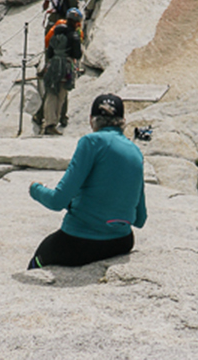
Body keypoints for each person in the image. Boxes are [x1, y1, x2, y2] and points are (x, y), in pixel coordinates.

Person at [28, 93, 147, 267]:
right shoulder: (136, 151)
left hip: (79, 242)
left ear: (91, 120)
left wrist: (35, 189)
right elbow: (140, 219)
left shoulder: (91, 142)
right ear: (123, 121)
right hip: (121, 242)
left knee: (37, 261)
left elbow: (57, 201)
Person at [38, 10, 83, 135]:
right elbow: (77, 54)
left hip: (53, 66)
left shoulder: (55, 33)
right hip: (66, 67)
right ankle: (52, 123)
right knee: (61, 95)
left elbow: (49, 52)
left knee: (51, 94)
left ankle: (48, 122)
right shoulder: (73, 36)